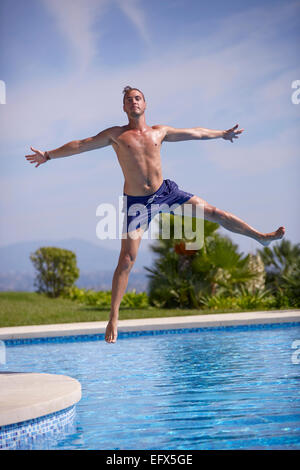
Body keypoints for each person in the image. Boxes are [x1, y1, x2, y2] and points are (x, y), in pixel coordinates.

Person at [25, 86, 285, 343]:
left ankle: (261, 236)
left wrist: (222, 134)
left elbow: (195, 132)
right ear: (124, 107)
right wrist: (48, 155)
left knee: (215, 212)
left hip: (166, 192)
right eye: (129, 100)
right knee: (127, 259)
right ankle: (113, 317)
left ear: (145, 104)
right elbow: (81, 144)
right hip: (138, 202)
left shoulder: (160, 132)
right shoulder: (116, 135)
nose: (134, 102)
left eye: (138, 98)